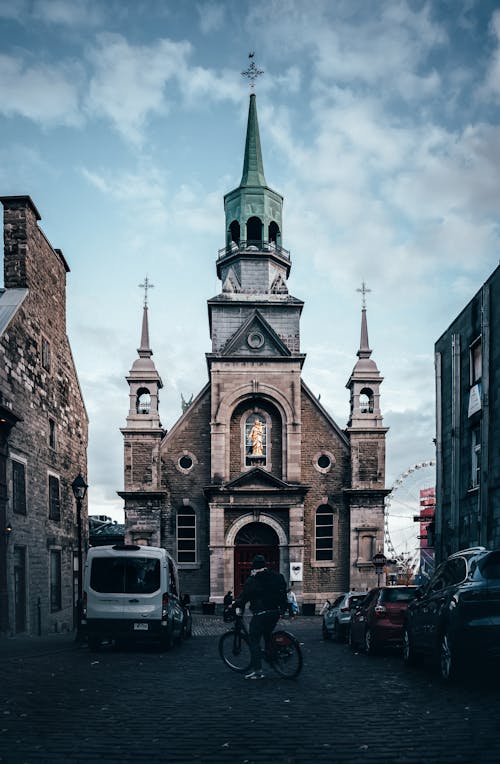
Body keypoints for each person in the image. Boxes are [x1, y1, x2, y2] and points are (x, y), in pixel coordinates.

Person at [234, 554, 287, 680]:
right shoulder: (277, 576)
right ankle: (271, 655)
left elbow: (244, 597)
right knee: (267, 633)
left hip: (261, 613)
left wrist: (234, 607)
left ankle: (258, 671)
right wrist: (283, 609)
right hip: (275, 612)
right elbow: (283, 592)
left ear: (254, 567)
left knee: (254, 640)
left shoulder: (253, 580)